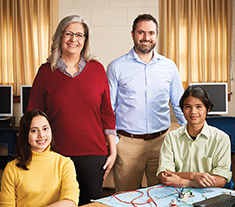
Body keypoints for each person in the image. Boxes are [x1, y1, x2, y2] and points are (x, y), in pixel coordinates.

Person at [27, 15, 116, 205]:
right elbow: (33, 114)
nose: (73, 39)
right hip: (56, 153)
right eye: (68, 33)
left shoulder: (97, 69)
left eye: (79, 35)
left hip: (94, 154)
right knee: (59, 202)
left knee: (89, 203)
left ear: (85, 40)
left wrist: (113, 150)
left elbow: (107, 113)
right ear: (60, 36)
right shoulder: (45, 71)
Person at [106, 14, 186, 192]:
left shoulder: (169, 66)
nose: (146, 38)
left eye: (151, 33)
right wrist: (114, 142)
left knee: (162, 194)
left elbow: (179, 104)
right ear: (133, 34)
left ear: (156, 35)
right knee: (126, 197)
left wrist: (190, 134)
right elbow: (108, 108)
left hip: (162, 143)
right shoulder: (116, 67)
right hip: (128, 143)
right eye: (141, 32)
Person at [0, 110, 79, 207]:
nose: (41, 135)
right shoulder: (12, 168)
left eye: (45, 128)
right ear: (25, 134)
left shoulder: (64, 163)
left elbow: (71, 201)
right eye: (34, 130)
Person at [157, 85, 232, 188]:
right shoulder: (171, 138)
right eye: (188, 106)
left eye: (199, 106)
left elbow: (221, 179)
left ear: (208, 108)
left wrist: (183, 182)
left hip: (209, 195)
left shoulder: (221, 138)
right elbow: (164, 175)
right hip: (176, 194)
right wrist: (193, 175)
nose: (193, 112)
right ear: (182, 109)